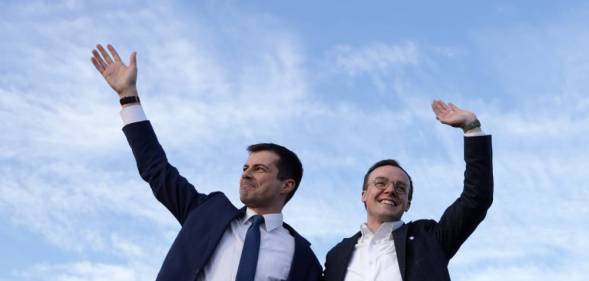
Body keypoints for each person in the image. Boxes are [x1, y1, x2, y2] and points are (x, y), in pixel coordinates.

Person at [91, 44, 322, 281]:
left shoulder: (302, 257)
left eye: (259, 169)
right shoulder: (206, 213)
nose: (246, 174)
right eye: (245, 168)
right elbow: (156, 169)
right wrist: (128, 97)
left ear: (287, 185)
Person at [323, 100, 493, 281]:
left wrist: (471, 127)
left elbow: (475, 199)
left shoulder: (429, 239)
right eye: (380, 183)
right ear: (363, 195)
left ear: (408, 204)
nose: (390, 190)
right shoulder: (336, 256)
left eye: (401, 187)